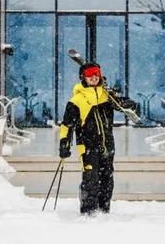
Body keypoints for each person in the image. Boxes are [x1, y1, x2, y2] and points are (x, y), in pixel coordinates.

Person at [58, 62, 138, 215]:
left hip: (107, 144)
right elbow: (67, 125)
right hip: (87, 146)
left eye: (96, 73)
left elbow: (121, 104)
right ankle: (89, 211)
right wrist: (64, 144)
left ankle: (104, 209)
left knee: (107, 178)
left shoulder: (107, 95)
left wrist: (129, 104)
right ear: (83, 77)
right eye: (89, 74)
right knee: (91, 179)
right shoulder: (76, 101)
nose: (94, 77)